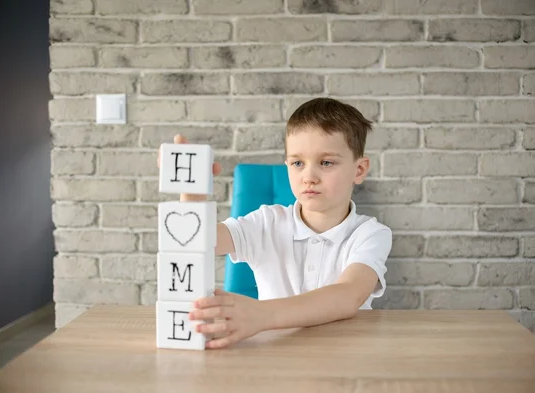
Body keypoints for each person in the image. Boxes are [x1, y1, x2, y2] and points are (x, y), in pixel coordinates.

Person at [158, 97, 392, 349]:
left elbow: (348, 295)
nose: (309, 177)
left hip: (344, 359)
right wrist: (192, 191)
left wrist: (262, 314)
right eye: (297, 163)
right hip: (274, 358)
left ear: (359, 170)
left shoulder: (370, 234)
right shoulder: (266, 222)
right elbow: (200, 241)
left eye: (326, 162)